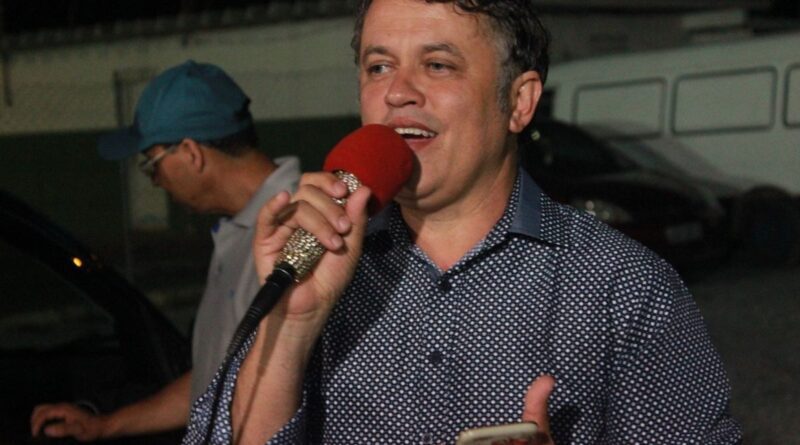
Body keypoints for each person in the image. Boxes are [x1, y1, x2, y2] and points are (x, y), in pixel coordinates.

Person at [183, 0, 743, 443]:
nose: (397, 92)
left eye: (437, 65)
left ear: (519, 102)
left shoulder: (626, 287)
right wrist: (291, 325)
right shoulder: (316, 266)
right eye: (378, 66)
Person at [29, 60, 301, 441]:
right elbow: (213, 380)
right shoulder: (239, 230)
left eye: (152, 164)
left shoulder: (296, 230)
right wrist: (105, 425)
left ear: (191, 152)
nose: (155, 181)